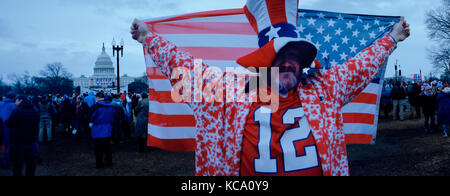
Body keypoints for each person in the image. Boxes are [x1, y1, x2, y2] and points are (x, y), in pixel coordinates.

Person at [131, 0, 410, 176]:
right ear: (263, 63)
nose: (289, 65)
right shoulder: (229, 92)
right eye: (280, 58)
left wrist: (392, 39)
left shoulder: (324, 88)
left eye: (296, 58)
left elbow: (360, 66)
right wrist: (148, 39)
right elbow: (187, 68)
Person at [5, 95, 40, 176]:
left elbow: (8, 123)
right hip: (30, 141)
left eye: (16, 100)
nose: (15, 102)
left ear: (20, 100)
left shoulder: (17, 111)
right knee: (30, 163)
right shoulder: (35, 111)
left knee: (17, 165)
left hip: (17, 142)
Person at [90, 93, 116, 169]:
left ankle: (99, 164)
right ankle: (109, 162)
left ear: (97, 98)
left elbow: (90, 117)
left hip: (97, 130)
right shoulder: (111, 106)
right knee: (107, 148)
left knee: (98, 149)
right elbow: (114, 117)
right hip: (107, 129)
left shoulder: (95, 107)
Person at [0, 93, 17, 168]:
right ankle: (5, 162)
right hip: (8, 127)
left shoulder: (0, 103)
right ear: (13, 97)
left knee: (2, 144)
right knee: (7, 144)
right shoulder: (14, 105)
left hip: (0, 126)